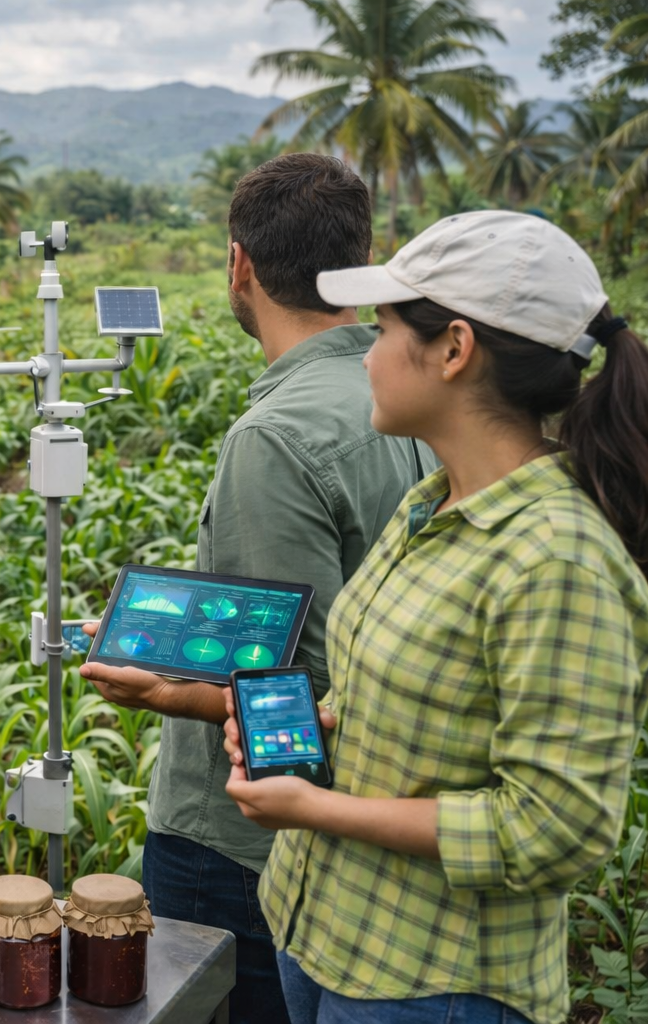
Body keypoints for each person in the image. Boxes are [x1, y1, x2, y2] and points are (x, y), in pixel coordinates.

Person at [222, 211, 648, 1024]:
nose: (368, 356)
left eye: (381, 330)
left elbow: (554, 827)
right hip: (329, 937)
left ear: (454, 350)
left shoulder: (554, 555)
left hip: (433, 982)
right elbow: (415, 696)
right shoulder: (434, 503)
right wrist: (320, 725)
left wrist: (317, 808)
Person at [78, 153, 429, 1022]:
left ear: (240, 265)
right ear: (357, 259)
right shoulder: (399, 397)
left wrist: (162, 688)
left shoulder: (273, 435)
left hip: (236, 845)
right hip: (360, 818)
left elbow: (293, 691)